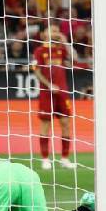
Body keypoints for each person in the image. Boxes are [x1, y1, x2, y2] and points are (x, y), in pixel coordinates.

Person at [32, 25, 75, 170]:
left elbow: (75, 58)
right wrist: (48, 84)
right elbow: (36, 71)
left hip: (62, 92)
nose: (56, 33)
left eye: (57, 30)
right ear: (45, 34)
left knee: (65, 124)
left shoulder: (61, 49)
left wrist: (65, 42)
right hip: (46, 93)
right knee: (45, 124)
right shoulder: (39, 51)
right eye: (52, 30)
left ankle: (65, 159)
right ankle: (45, 159)